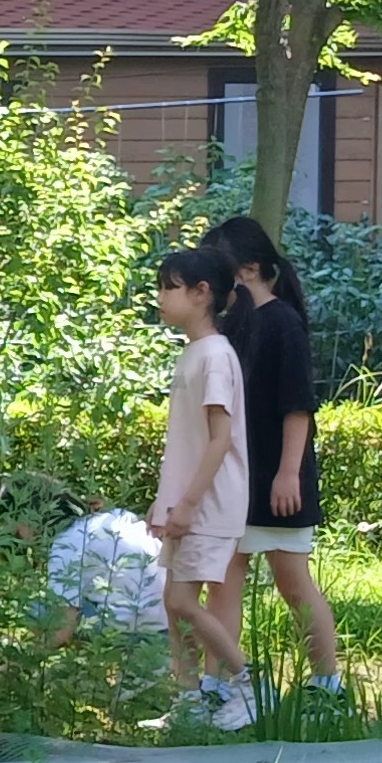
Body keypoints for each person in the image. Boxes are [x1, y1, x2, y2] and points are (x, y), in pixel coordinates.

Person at [204, 214, 343, 702]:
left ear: (249, 269)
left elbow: (297, 405)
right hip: (237, 478)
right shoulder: (232, 326)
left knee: (292, 581)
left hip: (276, 476)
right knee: (223, 580)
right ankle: (217, 684)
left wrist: (288, 474)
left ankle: (327, 683)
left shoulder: (282, 322)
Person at [150, 246, 254, 731]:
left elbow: (221, 438)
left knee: (184, 602)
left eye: (170, 287)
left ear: (202, 293)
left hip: (209, 504)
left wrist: (188, 504)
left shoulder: (215, 355)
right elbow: (185, 444)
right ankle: (188, 699)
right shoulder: (196, 353)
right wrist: (167, 503)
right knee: (174, 602)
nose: (160, 297)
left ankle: (247, 685)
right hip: (188, 503)